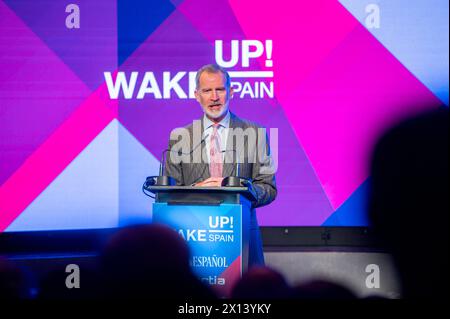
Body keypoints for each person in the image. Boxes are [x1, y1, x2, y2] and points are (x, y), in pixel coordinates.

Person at [164, 64, 277, 266]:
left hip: (242, 237)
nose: (214, 97)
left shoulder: (256, 133)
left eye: (220, 89)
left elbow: (268, 188)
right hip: (196, 240)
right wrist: (196, 191)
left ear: (231, 92)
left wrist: (237, 189)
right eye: (207, 91)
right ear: (197, 95)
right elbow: (170, 195)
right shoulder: (180, 137)